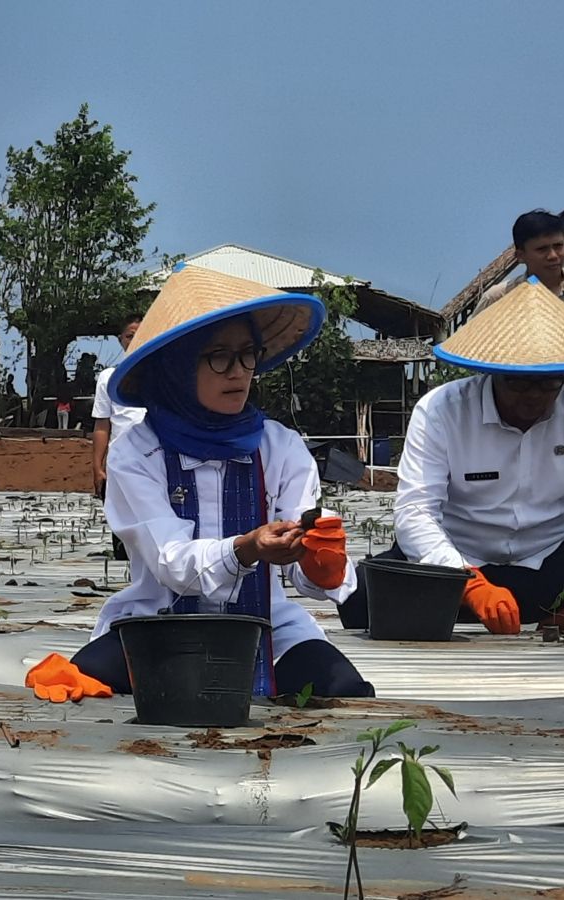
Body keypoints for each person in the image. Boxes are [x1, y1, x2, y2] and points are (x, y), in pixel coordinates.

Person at [31, 264, 372, 702]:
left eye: (247, 354)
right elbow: (171, 563)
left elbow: (303, 577)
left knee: (345, 691)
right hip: (160, 623)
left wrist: (319, 561)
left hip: (267, 627)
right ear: (175, 366)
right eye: (219, 357)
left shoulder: (281, 447)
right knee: (81, 686)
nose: (239, 372)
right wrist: (246, 548)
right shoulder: (136, 452)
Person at [346, 277, 564, 633]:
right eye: (518, 383)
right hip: (459, 562)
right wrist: (466, 581)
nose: (534, 396)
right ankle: (481, 603)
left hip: (553, 557)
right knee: (361, 599)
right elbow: (415, 512)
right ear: (491, 372)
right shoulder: (442, 410)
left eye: (549, 383)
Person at [91, 313, 145, 561]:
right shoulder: (108, 378)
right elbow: (103, 424)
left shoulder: (160, 372)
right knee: (121, 514)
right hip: (120, 459)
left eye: (139, 334)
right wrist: (97, 466)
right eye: (129, 336)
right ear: (120, 340)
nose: (134, 340)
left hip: (154, 456)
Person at [474, 209, 564, 315]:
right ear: (520, 256)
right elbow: (472, 331)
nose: (553, 256)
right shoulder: (497, 298)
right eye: (542, 249)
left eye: (558, 246)